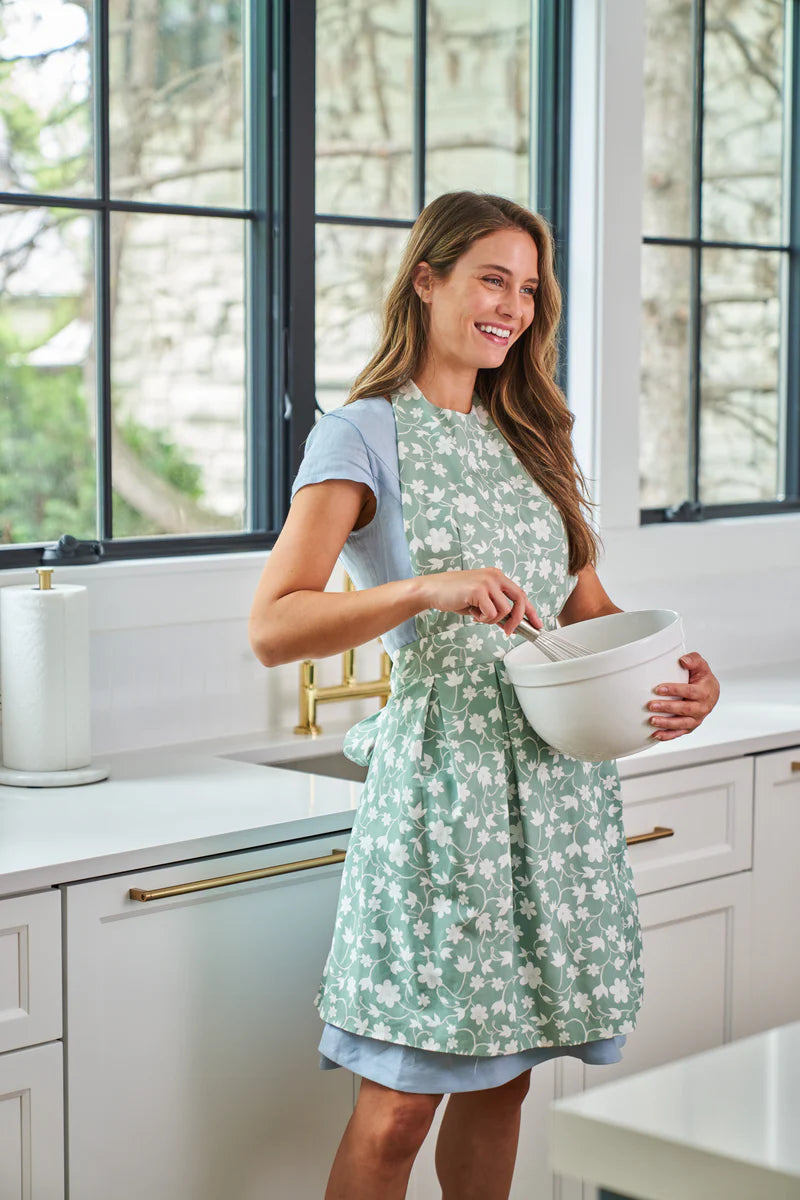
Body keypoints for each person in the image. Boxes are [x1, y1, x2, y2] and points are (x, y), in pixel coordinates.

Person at [248, 191, 721, 1200]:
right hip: (442, 796)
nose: (511, 306)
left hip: (552, 795)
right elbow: (273, 624)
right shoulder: (362, 434)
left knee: (502, 1083)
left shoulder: (532, 437)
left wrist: (683, 681)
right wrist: (427, 588)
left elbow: (586, 612)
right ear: (426, 280)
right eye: (489, 279)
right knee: (394, 1110)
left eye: (528, 288)